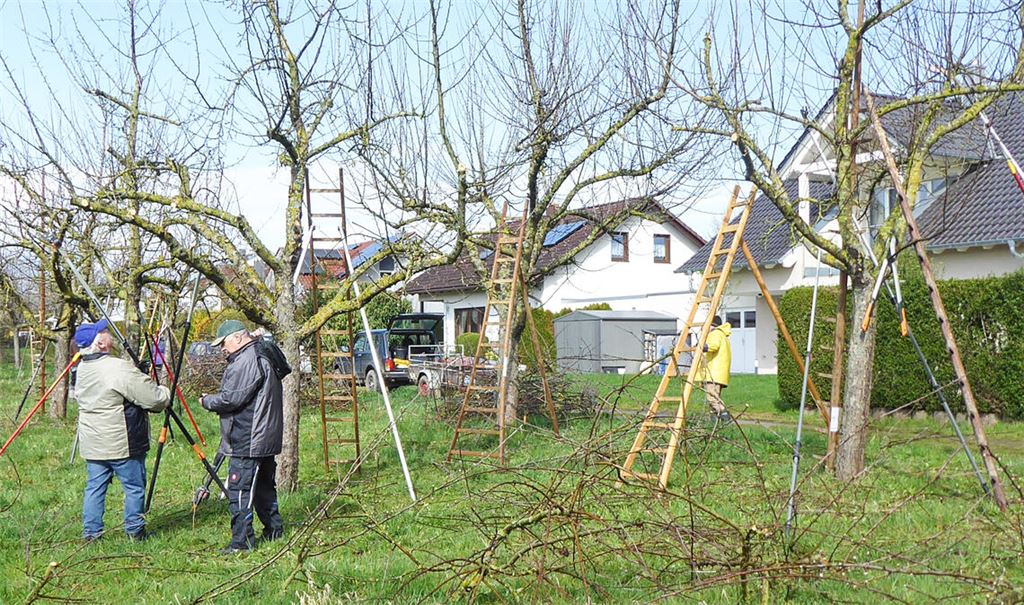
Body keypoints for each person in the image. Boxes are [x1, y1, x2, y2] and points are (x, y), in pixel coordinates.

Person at [74, 319, 170, 542]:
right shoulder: (116, 367)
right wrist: (164, 392)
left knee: (95, 488)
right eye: (104, 332)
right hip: (121, 441)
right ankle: (135, 531)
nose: (109, 333)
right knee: (134, 487)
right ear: (100, 343)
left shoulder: (83, 368)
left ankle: (91, 533)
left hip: (93, 442)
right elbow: (153, 399)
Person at [200, 319, 285, 553]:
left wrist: (207, 401)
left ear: (238, 338)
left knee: (239, 491)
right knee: (264, 488)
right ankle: (274, 531)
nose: (222, 349)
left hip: (248, 437)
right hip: (265, 435)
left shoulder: (246, 360)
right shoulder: (262, 352)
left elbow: (231, 399)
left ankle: (242, 543)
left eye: (223, 343)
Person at [699, 315, 733, 422]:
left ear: (711, 325)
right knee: (714, 398)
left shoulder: (715, 333)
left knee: (712, 398)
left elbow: (713, 345)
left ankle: (725, 416)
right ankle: (714, 422)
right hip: (719, 373)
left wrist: (703, 347)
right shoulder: (722, 335)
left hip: (713, 373)